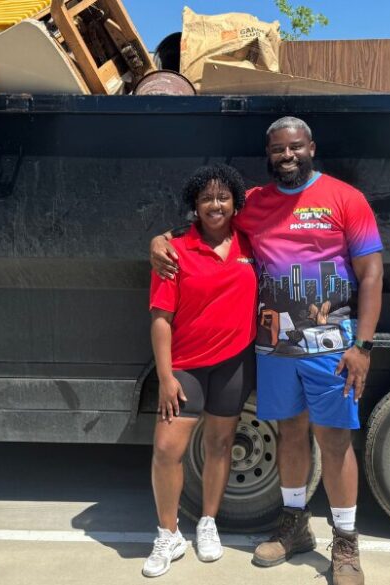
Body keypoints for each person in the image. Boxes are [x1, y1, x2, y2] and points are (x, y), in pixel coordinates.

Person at [151, 117, 384, 585]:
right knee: (290, 436)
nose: (287, 155)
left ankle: (345, 542)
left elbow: (372, 272)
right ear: (269, 154)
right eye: (278, 149)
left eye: (295, 146)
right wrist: (160, 239)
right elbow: (208, 221)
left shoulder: (346, 198)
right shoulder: (253, 203)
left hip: (332, 347)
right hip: (275, 348)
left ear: (311, 147)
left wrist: (363, 344)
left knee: (334, 441)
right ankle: (295, 525)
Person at [143, 164, 257, 578]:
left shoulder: (250, 241)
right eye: (206, 198)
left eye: (223, 197)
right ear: (195, 204)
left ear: (235, 203)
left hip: (234, 363)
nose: (215, 205)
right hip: (185, 367)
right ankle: (168, 534)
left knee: (220, 445)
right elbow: (160, 319)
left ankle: (208, 522)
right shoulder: (174, 251)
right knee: (166, 449)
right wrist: (166, 377)